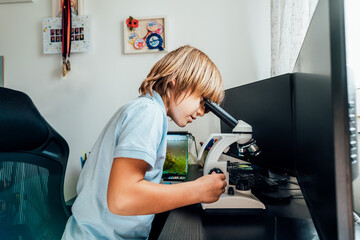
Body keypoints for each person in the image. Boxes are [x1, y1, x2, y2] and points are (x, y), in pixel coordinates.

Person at [62, 45, 227, 239]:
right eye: (202, 102)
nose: (201, 112)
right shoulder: (148, 113)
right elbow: (122, 197)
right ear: (177, 81)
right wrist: (197, 190)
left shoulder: (145, 109)